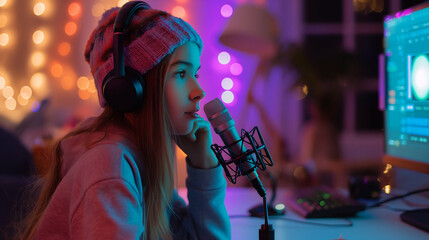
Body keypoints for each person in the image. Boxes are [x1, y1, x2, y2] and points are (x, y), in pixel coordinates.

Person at [17, 1, 231, 239]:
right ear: (130, 89)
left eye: (195, 74)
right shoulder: (109, 167)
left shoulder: (142, 154)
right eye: (181, 73)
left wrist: (204, 164)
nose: (198, 91)